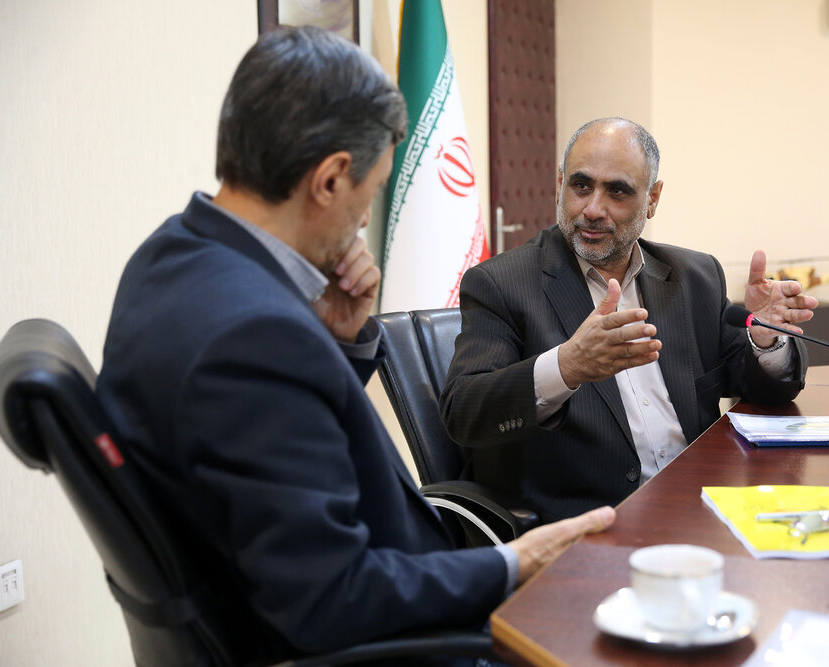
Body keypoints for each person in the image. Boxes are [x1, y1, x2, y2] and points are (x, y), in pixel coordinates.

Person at [96, 26, 615, 664]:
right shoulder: (256, 338)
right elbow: (331, 601)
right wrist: (515, 562)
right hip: (393, 643)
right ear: (331, 179)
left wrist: (337, 341)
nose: (365, 218)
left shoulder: (168, 255)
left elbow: (266, 453)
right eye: (371, 193)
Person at [440, 117, 818, 523]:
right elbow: (464, 412)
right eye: (581, 186)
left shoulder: (694, 276)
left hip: (702, 508)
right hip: (589, 523)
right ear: (560, 183)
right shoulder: (501, 284)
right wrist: (566, 367)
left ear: (652, 199)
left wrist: (765, 340)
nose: (592, 209)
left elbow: (766, 390)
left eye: (617, 191)